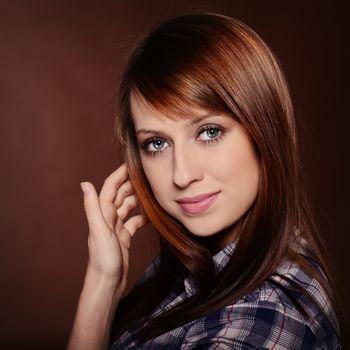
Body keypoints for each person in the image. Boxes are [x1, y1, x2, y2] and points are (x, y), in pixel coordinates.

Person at [67, 12, 343, 349]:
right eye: (157, 143)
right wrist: (103, 282)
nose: (182, 175)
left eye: (209, 132)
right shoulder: (199, 261)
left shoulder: (261, 325)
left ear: (264, 130)